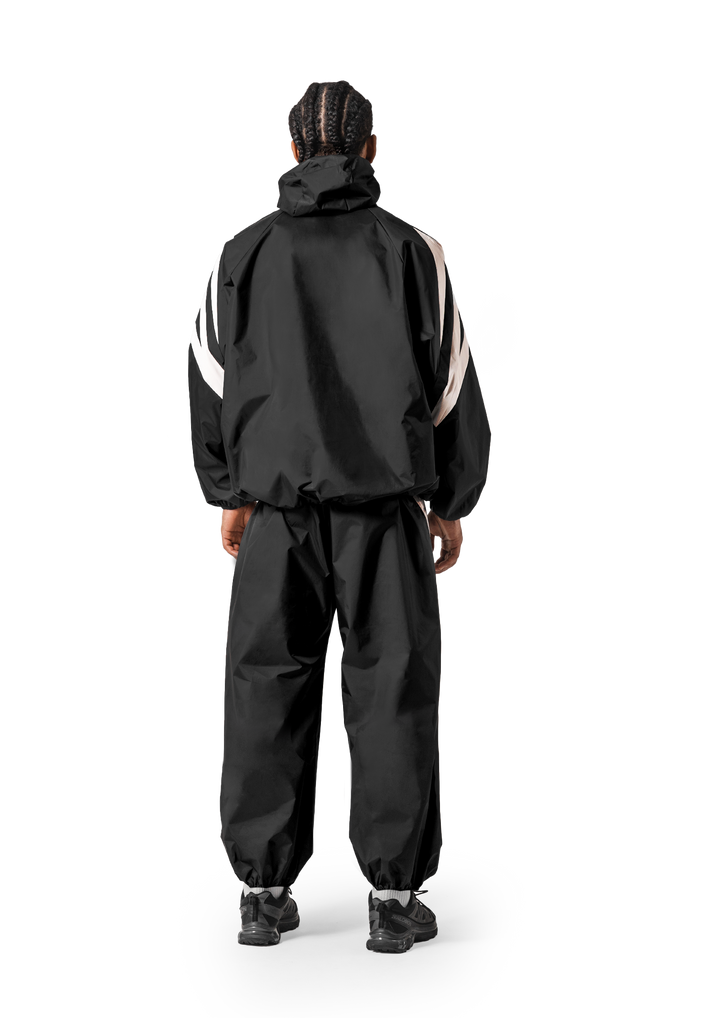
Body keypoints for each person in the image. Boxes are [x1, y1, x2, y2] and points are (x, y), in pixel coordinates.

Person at [185, 78, 493, 951]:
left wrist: (230, 492)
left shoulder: (241, 254)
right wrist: (453, 504)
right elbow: (451, 387)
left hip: (277, 514)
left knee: (263, 687)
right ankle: (394, 903)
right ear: (372, 149)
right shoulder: (415, 251)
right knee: (391, 690)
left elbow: (208, 379)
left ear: (290, 152)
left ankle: (263, 895)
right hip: (386, 514)